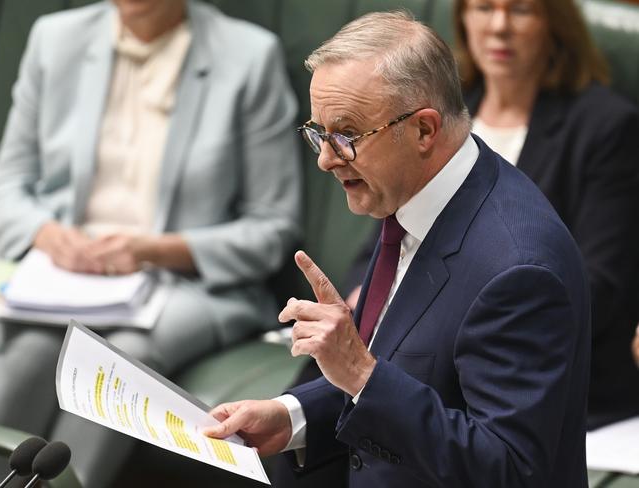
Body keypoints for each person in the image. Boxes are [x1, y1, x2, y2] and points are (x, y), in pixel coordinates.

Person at [205, 11, 591, 487]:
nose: (326, 159)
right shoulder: (417, 197)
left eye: (345, 136)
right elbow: (412, 382)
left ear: (424, 131)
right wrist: (293, 415)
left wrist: (360, 372)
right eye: (318, 133)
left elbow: (508, 468)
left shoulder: (518, 270)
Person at [0, 0, 300, 486]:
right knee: (28, 352)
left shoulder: (248, 57)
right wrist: (50, 237)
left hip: (185, 284)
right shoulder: (55, 39)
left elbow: (272, 227)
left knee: (119, 359)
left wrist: (151, 249)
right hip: (63, 276)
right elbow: (5, 190)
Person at [453, 0, 639, 429]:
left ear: (554, 24)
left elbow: (598, 287)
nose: (499, 27)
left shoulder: (606, 127)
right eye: (483, 7)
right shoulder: (444, 116)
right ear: (463, 18)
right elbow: (390, 234)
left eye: (520, 10)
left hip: (545, 378)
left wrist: (454, 327)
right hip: (438, 365)